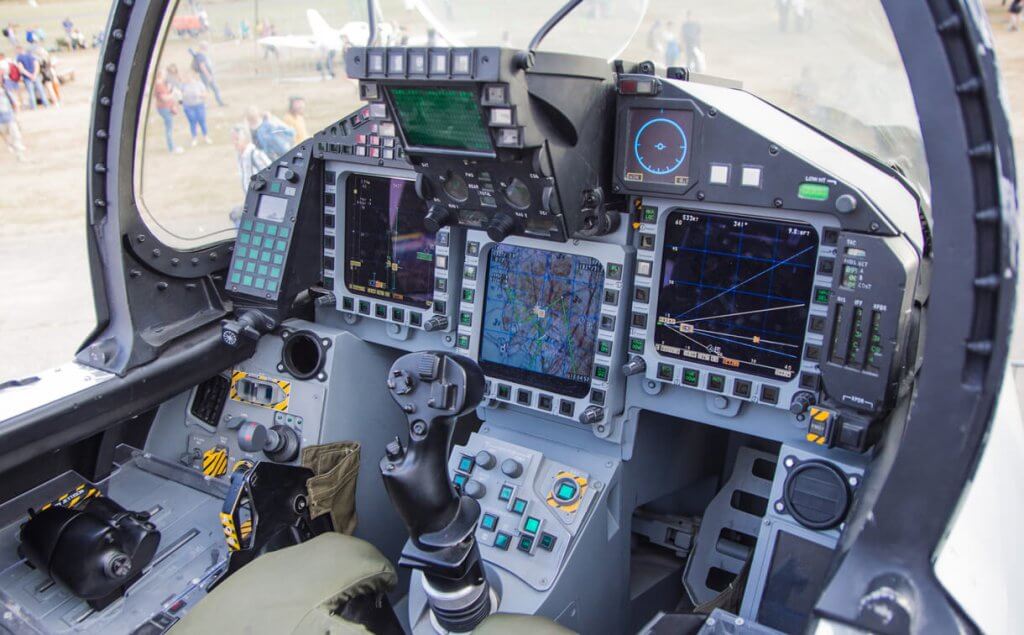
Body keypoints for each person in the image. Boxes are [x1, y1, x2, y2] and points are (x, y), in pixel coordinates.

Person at [231, 123, 270, 193]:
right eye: (233, 139)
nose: (234, 142)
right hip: (249, 197)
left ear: (246, 139)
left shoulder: (255, 154)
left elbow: (272, 173)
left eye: (237, 139)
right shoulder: (240, 155)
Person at [154, 68, 183, 153]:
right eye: (164, 74)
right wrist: (173, 94)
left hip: (166, 108)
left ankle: (172, 147)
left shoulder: (162, 84)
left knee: (170, 128)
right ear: (161, 75)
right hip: (164, 108)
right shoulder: (159, 85)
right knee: (169, 129)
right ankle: (172, 148)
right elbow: (164, 98)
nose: (166, 75)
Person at [180, 71, 212, 146]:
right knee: (192, 122)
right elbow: (179, 96)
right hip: (188, 106)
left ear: (193, 77)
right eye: (186, 77)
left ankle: (206, 136)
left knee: (202, 121)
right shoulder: (183, 86)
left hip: (199, 105)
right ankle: (194, 138)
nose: (187, 78)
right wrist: (181, 103)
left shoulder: (199, 84)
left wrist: (200, 95)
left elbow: (205, 94)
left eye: (189, 76)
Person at [189, 42, 225, 106]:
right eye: (207, 46)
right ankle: (214, 102)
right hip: (205, 75)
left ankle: (218, 102)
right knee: (209, 89)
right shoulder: (200, 55)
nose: (208, 48)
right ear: (204, 47)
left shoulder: (199, 54)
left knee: (209, 89)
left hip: (204, 75)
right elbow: (202, 66)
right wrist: (208, 75)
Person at [0, 89, 26, 161]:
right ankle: (11, 146)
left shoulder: (6, 92)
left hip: (10, 118)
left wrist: (16, 116)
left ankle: (20, 155)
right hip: (1, 122)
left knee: (16, 137)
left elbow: (15, 104)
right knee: (7, 138)